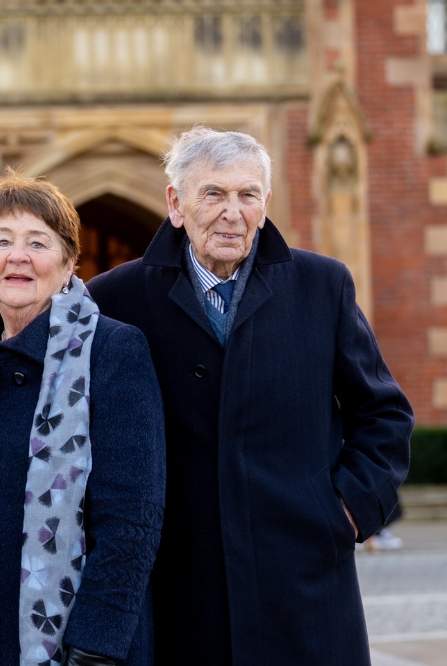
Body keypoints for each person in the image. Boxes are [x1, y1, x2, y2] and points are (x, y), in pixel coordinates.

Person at [86, 127, 414, 665]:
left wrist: (346, 512)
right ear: (176, 203)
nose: (231, 212)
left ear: (266, 204)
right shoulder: (115, 298)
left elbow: (384, 414)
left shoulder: (322, 286)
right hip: (176, 589)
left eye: (248, 195)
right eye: (213, 194)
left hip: (303, 582)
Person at [0, 171, 166, 666]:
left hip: (76, 646)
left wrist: (95, 644)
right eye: (3, 241)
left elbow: (133, 516)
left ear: (67, 267)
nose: (17, 255)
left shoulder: (112, 351)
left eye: (37, 242)